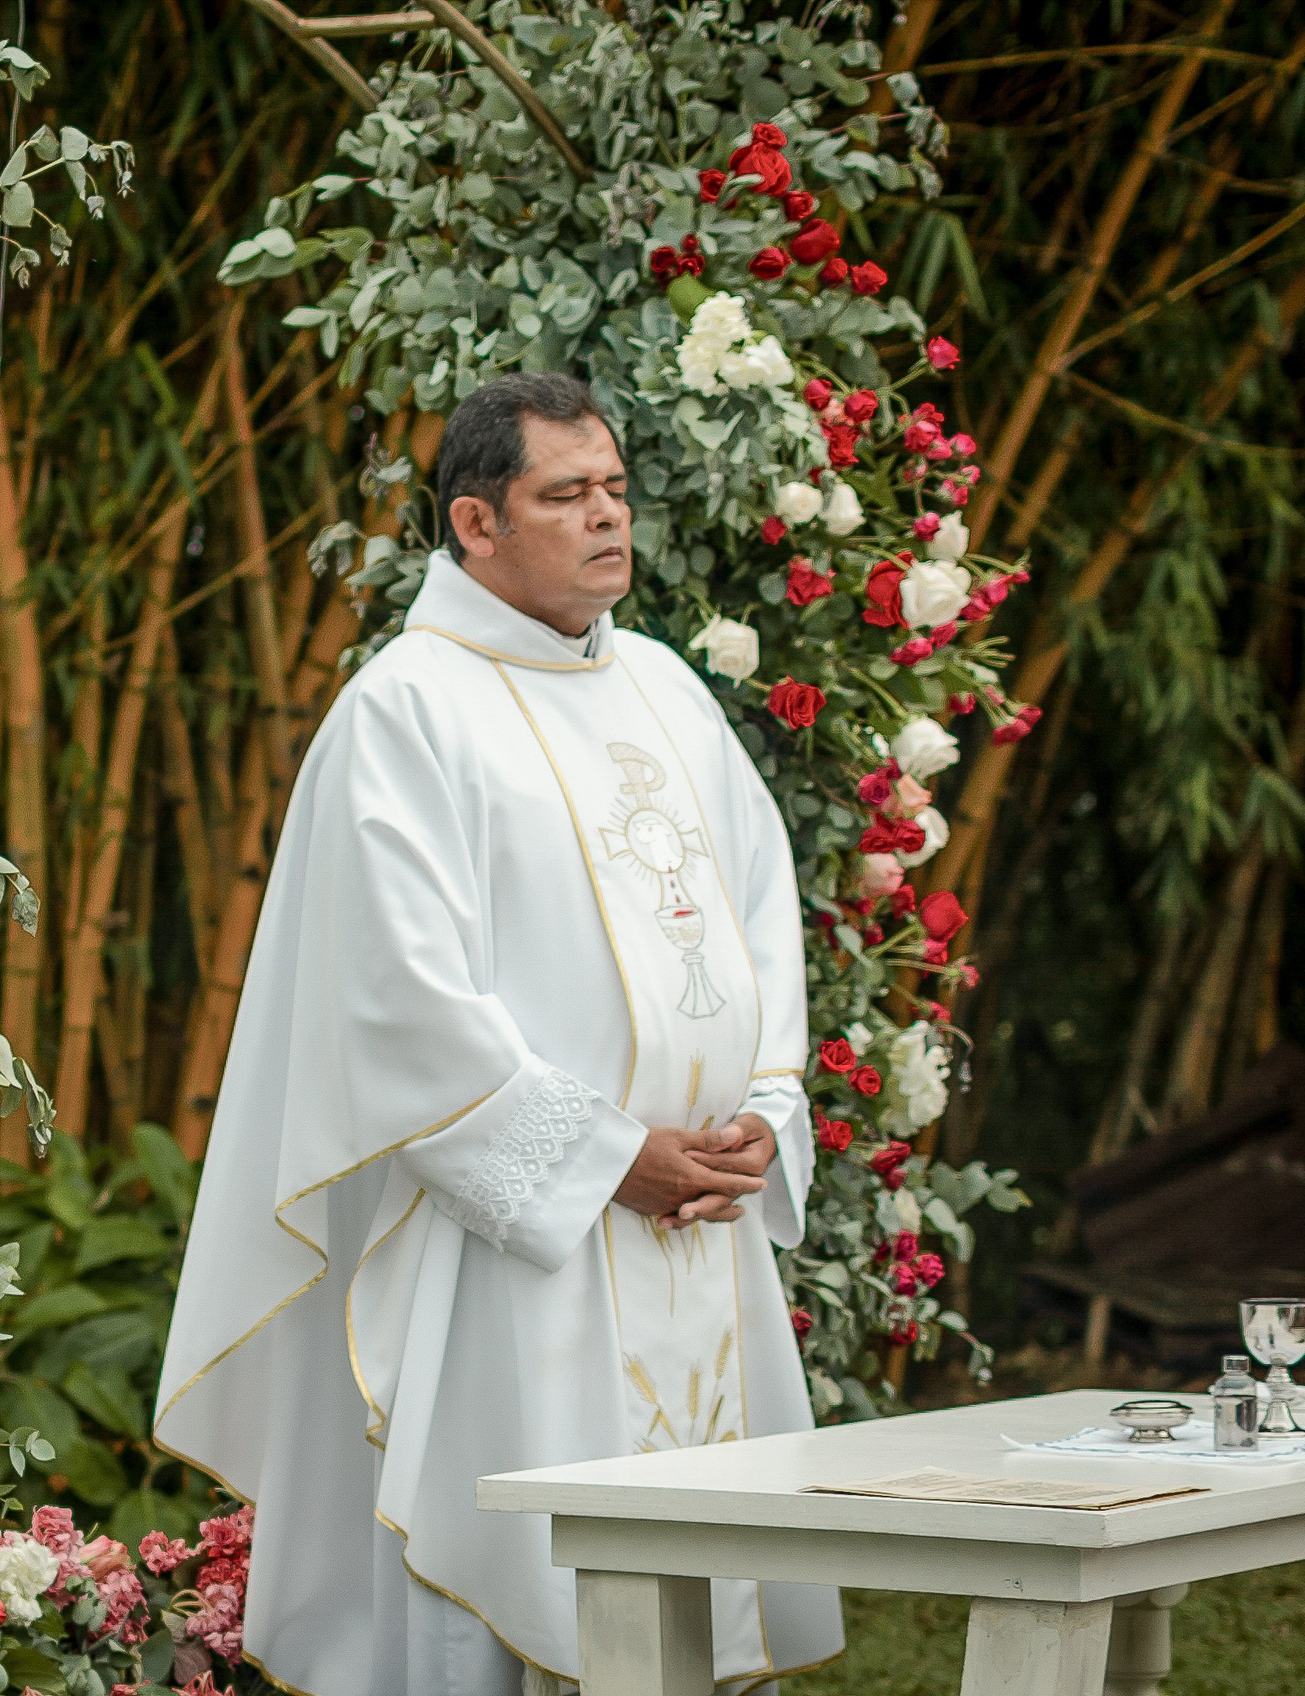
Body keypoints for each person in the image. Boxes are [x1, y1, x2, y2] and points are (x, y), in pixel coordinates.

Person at [154, 374, 844, 1696]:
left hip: (697, 1225)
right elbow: (395, 1004)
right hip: (521, 1252)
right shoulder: (405, 712)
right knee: (517, 1588)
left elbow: (760, 916)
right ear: (475, 521)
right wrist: (604, 1158)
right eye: (566, 495)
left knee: (700, 1587)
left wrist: (767, 1103)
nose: (608, 520)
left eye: (616, 491)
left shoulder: (664, 688)